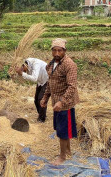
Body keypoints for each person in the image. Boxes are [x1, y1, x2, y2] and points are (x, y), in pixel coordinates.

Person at [40, 38, 79, 166]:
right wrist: (45, 98)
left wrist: (62, 101)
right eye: (54, 50)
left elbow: (72, 86)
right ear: (52, 51)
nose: (57, 53)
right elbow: (50, 83)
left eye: (60, 51)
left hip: (65, 103)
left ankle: (62, 157)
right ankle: (67, 151)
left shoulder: (69, 65)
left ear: (64, 51)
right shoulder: (51, 64)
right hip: (56, 102)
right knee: (61, 128)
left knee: (62, 130)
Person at [16, 58, 48, 122]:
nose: (24, 72)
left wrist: (22, 73)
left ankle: (42, 119)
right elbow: (25, 78)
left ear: (23, 66)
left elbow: (34, 79)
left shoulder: (36, 64)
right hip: (40, 81)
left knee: (41, 99)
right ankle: (41, 114)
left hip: (47, 80)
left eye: (23, 70)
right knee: (36, 100)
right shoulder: (27, 65)